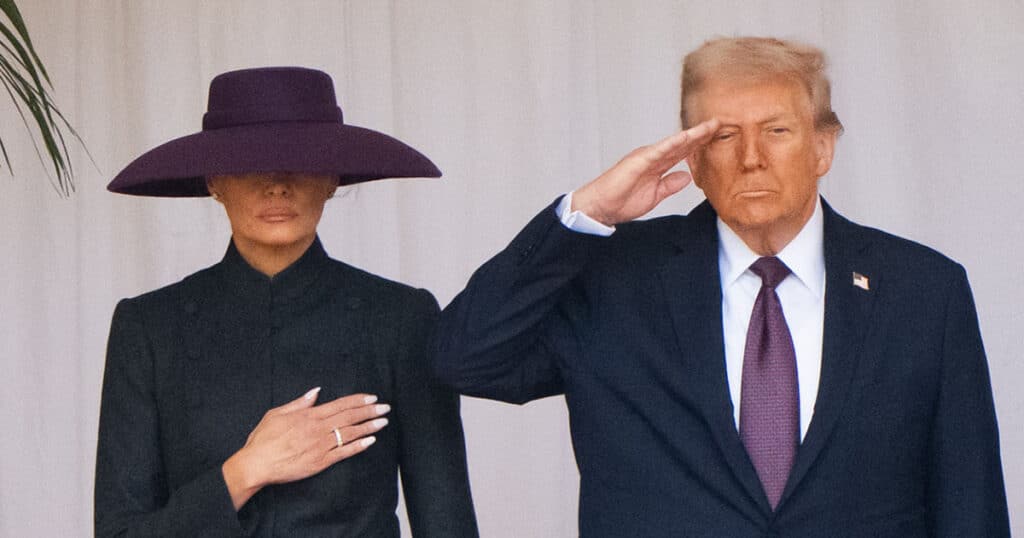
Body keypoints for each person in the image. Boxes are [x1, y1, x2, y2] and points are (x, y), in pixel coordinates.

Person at [433, 37, 1009, 536]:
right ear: (692, 159)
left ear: (823, 147)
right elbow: (464, 359)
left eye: (776, 131)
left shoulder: (923, 291)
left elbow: (970, 500)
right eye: (724, 136)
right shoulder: (613, 278)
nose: (751, 159)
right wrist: (586, 213)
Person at [95, 67, 478, 537]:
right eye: (250, 164)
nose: (277, 184)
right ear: (214, 181)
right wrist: (246, 471)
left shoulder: (401, 319)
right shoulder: (149, 327)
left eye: (301, 161)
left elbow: (447, 523)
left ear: (332, 178)